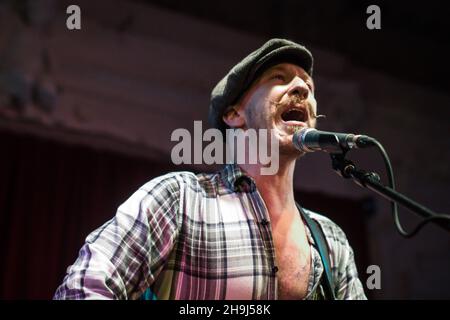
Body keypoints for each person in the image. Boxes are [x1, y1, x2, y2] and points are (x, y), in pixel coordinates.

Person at [54, 38, 367, 300]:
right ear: (234, 114)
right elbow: (83, 290)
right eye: (279, 77)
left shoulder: (331, 240)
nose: (301, 87)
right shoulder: (179, 200)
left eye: (308, 86)